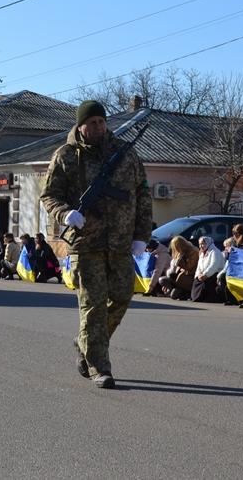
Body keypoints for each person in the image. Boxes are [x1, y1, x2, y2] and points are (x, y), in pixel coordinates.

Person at [41, 99, 153, 389]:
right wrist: (66, 213)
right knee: (92, 306)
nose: (99, 127)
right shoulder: (65, 156)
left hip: (120, 243)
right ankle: (100, 368)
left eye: (102, 122)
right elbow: (49, 196)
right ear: (81, 126)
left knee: (122, 297)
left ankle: (85, 343)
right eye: (92, 123)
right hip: (86, 243)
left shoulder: (126, 154)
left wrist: (142, 235)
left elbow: (142, 195)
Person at [190, 236, 225, 302]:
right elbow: (199, 266)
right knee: (196, 282)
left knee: (206, 283)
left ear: (208, 243)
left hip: (214, 274)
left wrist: (205, 275)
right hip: (203, 275)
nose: (201, 246)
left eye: (203, 243)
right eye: (200, 244)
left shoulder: (215, 252)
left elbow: (214, 266)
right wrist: (198, 275)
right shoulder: (202, 254)